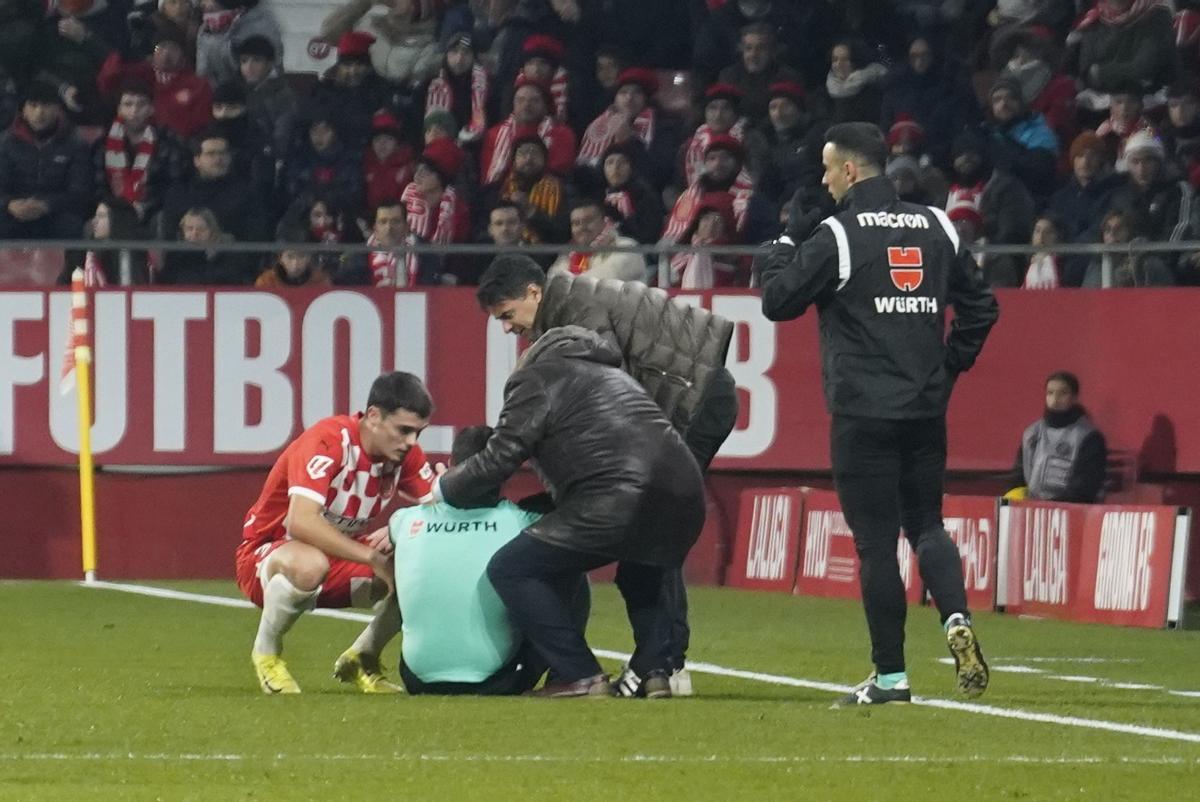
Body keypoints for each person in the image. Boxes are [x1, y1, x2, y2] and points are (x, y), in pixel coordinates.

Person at [757, 122, 998, 706]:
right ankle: (956, 619)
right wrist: (946, 371)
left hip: (863, 412)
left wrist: (787, 240)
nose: (822, 177)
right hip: (923, 408)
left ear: (848, 170)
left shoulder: (838, 235)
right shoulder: (938, 223)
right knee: (927, 525)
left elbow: (776, 302)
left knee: (874, 546)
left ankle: (891, 677)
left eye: (826, 166)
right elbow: (981, 307)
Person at [473, 254, 739, 696]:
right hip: (699, 390)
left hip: (697, 398)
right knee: (651, 525)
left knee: (652, 523)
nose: (507, 328)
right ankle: (660, 664)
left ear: (534, 293)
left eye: (507, 314)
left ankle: (663, 663)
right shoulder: (572, 307)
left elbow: (600, 409)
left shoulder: (578, 319)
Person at [432, 326, 706, 698]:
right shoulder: (615, 377)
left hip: (619, 495)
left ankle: (579, 673)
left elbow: (501, 456)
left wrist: (444, 488)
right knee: (641, 570)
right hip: (686, 497)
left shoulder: (535, 378)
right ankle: (653, 670)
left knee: (513, 569)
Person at [235, 371, 436, 694]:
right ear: (373, 416)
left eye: (418, 433)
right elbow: (299, 522)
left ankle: (362, 657)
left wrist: (404, 520)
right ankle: (267, 653)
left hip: (338, 562)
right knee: (310, 563)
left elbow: (438, 511)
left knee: (419, 572)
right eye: (404, 430)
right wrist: (372, 556)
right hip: (268, 556)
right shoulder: (329, 440)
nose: (411, 442)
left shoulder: (407, 456)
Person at [389, 425, 564, 696]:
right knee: (565, 564)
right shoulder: (523, 522)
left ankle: (365, 651)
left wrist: (439, 494)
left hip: (417, 679)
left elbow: (405, 526)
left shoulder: (405, 521)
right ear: (504, 475)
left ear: (449, 466)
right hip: (498, 682)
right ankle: (566, 673)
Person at [0, 83, 91, 241]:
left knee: (71, 224)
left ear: (58, 109)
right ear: (23, 110)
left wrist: (46, 205)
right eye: (33, 105)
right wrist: (9, 204)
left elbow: (80, 192)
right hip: (14, 211)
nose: (39, 112)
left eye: (46, 105)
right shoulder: (6, 143)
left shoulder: (75, 143)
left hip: (56, 212)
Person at [1011, 371, 1108, 503]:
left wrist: (1052, 506)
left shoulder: (1089, 437)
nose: (1055, 399)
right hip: (1031, 511)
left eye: (1063, 393)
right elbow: (1018, 476)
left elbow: (1085, 486)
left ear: (1074, 397)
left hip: (1073, 511)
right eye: (1050, 393)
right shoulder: (1031, 434)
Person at [548, 198, 645, 282]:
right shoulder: (568, 255)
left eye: (589, 220)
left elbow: (603, 282)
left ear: (604, 221)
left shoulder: (627, 246)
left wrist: (566, 287)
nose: (582, 227)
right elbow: (552, 282)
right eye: (576, 223)